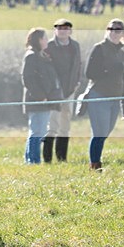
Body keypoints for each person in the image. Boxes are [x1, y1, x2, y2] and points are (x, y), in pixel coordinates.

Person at [84, 19, 124, 171]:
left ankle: (95, 162)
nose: (114, 32)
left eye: (118, 30)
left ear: (122, 33)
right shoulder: (99, 49)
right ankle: (95, 166)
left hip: (115, 98)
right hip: (99, 95)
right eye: (111, 29)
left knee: (105, 132)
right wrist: (108, 71)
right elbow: (89, 73)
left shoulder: (121, 53)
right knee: (99, 132)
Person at [21, 28, 63, 164]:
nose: (47, 40)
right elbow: (28, 78)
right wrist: (40, 96)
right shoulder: (31, 56)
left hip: (45, 100)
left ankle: (30, 160)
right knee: (37, 132)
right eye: (45, 38)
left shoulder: (42, 55)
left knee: (38, 131)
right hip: (37, 101)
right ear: (38, 40)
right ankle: (33, 161)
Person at [42, 18, 81, 162]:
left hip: (70, 90)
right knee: (52, 125)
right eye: (59, 28)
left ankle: (62, 158)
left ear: (70, 31)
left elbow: (78, 65)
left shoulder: (75, 46)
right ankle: (47, 159)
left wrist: (77, 82)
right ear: (55, 30)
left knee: (65, 125)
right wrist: (50, 88)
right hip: (54, 91)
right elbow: (45, 68)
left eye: (66, 28)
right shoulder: (49, 46)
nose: (62, 31)